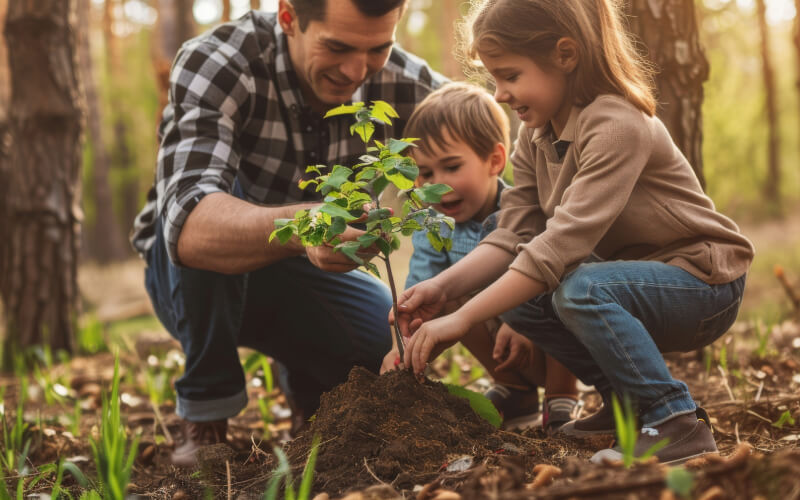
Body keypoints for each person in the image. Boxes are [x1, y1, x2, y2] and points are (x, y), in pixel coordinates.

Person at [395, 0, 754, 465]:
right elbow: (511, 237)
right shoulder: (537, 136)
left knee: (578, 288)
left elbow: (560, 246)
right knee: (521, 289)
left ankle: (672, 421)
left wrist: (463, 320)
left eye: (510, 75)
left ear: (565, 55)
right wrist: (442, 291)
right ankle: (625, 399)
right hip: (636, 280)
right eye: (493, 79)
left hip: (705, 284)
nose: (500, 94)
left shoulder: (616, 124)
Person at [130, 0, 446, 467]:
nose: (357, 71)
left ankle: (314, 405)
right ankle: (206, 412)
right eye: (337, 47)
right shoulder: (220, 61)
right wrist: (305, 226)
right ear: (288, 17)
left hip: (304, 280)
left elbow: (487, 175)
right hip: (188, 276)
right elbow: (190, 227)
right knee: (217, 200)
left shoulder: (407, 83)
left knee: (381, 336)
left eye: (377, 49)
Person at [379, 82, 579, 432]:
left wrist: (525, 325)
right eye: (425, 174)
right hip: (501, 347)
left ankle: (562, 395)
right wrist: (405, 347)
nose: (438, 185)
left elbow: (550, 269)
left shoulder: (525, 211)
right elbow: (424, 294)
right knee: (441, 296)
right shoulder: (432, 227)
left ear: (495, 161)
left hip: (550, 342)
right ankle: (516, 392)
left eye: (452, 167)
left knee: (567, 284)